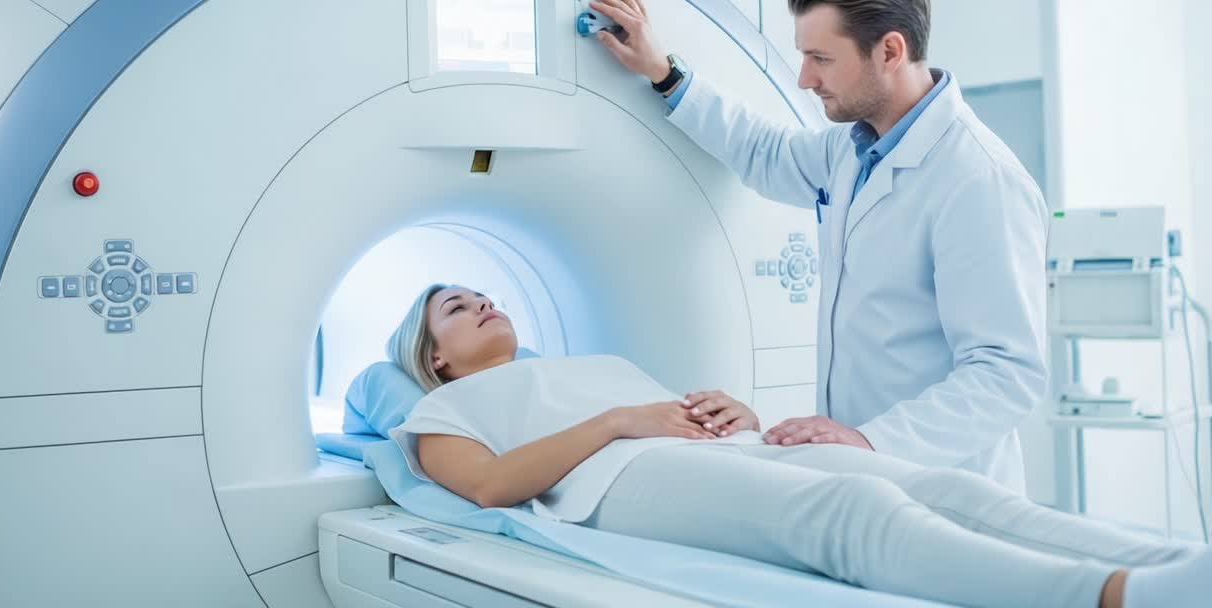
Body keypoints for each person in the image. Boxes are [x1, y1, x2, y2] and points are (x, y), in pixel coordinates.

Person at [387, 284, 1202, 608]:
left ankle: (1173, 560)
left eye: (486, 293)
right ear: (437, 356)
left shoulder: (589, 361)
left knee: (943, 487)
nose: (483, 304)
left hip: (715, 453)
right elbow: (491, 488)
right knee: (850, 509)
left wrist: (727, 412)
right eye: (457, 308)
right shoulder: (443, 411)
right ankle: (1114, 595)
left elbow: (666, 412)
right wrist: (615, 422)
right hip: (618, 478)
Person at [589, 0, 1048, 494]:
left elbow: (1005, 373)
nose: (806, 78)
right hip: (865, 479)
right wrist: (664, 73)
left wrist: (872, 443)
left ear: (890, 51)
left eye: (822, 59)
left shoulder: (978, 179)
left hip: (945, 485)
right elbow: (764, 151)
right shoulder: (854, 150)